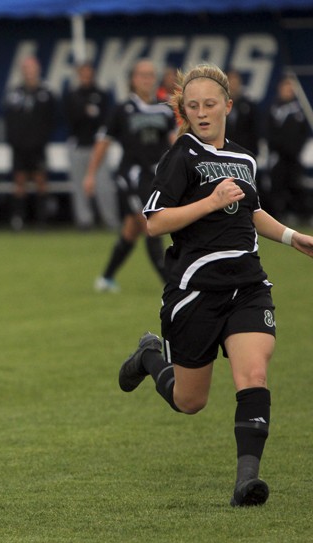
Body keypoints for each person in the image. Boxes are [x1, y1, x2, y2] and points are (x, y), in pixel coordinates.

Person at [120, 63, 313, 507]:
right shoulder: (181, 155)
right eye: (193, 107)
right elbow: (154, 222)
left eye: (210, 104)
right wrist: (210, 201)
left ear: (228, 105)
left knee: (254, 373)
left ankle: (248, 481)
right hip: (195, 290)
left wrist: (291, 237)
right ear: (183, 113)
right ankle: (150, 356)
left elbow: (250, 212)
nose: (202, 113)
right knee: (190, 401)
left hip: (247, 284)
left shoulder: (245, 158)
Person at [83, 59, 175, 292]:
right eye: (142, 74)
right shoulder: (123, 110)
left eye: (150, 74)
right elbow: (104, 142)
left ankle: (105, 278)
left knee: (131, 230)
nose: (147, 79)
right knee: (150, 224)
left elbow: (175, 143)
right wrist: (91, 174)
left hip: (155, 177)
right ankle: (172, 285)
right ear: (133, 79)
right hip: (131, 176)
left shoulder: (165, 109)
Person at [3, 55, 58, 230]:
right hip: (19, 146)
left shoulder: (46, 93)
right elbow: (8, 119)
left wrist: (42, 137)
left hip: (38, 146)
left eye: (32, 69)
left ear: (38, 70)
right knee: (19, 182)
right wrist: (14, 139)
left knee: (40, 181)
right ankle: (18, 219)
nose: (29, 73)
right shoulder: (14, 93)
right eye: (26, 69)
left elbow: (53, 118)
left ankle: (41, 220)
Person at [64, 62, 118, 231]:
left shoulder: (101, 94)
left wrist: (89, 113)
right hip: (79, 145)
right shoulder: (72, 95)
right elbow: (71, 118)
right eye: (83, 73)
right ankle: (84, 221)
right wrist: (87, 112)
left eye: (88, 73)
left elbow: (104, 119)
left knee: (104, 185)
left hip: (98, 146)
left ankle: (110, 220)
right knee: (80, 185)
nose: (86, 76)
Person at [266, 74, 312, 224]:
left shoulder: (298, 109)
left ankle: (302, 216)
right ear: (280, 89)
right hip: (279, 156)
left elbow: (303, 132)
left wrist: (295, 148)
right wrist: (280, 147)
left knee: (297, 186)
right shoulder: (274, 108)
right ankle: (277, 216)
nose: (288, 91)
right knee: (277, 186)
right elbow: (269, 132)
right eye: (286, 88)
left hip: (294, 157)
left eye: (290, 88)